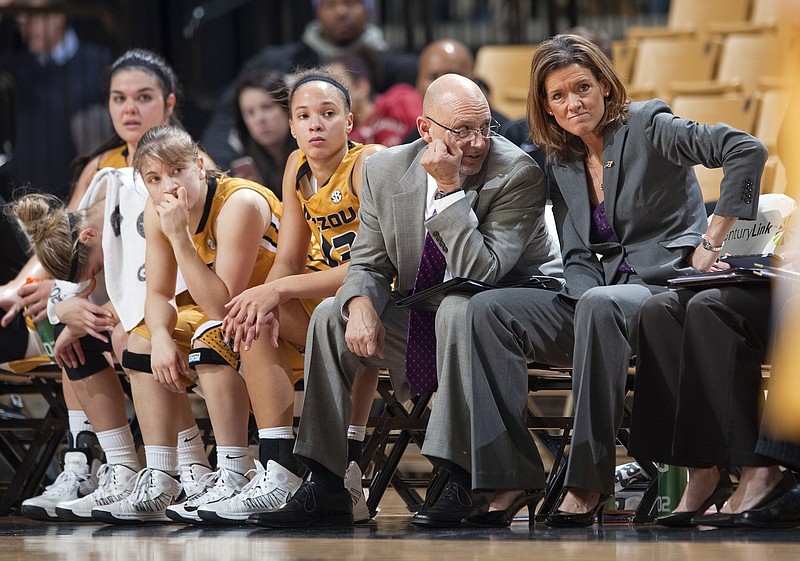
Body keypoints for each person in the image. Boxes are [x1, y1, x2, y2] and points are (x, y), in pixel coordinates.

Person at [460, 33, 766, 528]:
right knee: (487, 309)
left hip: (658, 295)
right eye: (558, 96)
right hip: (589, 300)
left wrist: (711, 240)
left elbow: (745, 149)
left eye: (581, 87)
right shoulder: (559, 156)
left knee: (600, 304)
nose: (573, 103)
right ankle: (510, 475)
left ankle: (587, 482)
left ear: (604, 84)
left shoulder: (650, 125)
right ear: (546, 107)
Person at [237, 72, 560, 529]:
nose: (477, 142)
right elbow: (367, 263)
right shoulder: (386, 170)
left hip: (499, 317)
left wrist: (449, 191)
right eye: (461, 130)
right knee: (331, 314)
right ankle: (330, 481)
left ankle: (461, 475)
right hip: (422, 315)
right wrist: (360, 304)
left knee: (458, 307)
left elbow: (481, 272)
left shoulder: (516, 173)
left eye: (485, 128)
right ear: (425, 129)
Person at [13, 49, 215, 522]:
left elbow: (176, 269)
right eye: (118, 98)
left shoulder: (187, 164)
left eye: (142, 98)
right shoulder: (102, 170)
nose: (129, 109)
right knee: (71, 336)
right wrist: (66, 307)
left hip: (182, 299)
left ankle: (188, 470)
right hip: (122, 301)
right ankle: (109, 468)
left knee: (129, 334)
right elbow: (73, 254)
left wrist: (96, 309)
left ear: (167, 104)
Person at [216, 67, 383, 525]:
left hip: (377, 298)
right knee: (253, 316)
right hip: (323, 294)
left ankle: (349, 466)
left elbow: (372, 265)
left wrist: (278, 288)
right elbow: (288, 257)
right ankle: (278, 470)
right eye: (304, 115)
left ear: (349, 121)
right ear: (290, 125)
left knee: (340, 315)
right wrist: (266, 293)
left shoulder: (370, 163)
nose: (315, 124)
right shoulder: (295, 166)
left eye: (328, 113)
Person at [629, 281, 795, 527]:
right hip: (752, 279)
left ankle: (759, 471)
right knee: (658, 310)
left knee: (709, 306)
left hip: (788, 289)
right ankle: (701, 473)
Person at [201, 0, 417, 169]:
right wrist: (216, 168)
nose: (341, 11)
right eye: (330, 4)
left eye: (351, 2)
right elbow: (227, 117)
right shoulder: (275, 62)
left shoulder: (402, 73)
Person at [0, 0, 110, 201]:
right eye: (20, 15)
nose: (24, 21)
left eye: (33, 14)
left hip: (83, 199)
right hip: (25, 200)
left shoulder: (99, 63)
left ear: (59, 15)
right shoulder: (13, 70)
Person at [402, 39, 509, 145]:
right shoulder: (411, 143)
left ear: (474, 81)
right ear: (418, 83)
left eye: (452, 76)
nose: (442, 85)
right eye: (432, 77)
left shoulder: (505, 135)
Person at [231, 69, 297, 198]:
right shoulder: (245, 162)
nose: (259, 119)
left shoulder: (311, 151)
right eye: (250, 112)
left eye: (267, 107)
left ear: (287, 108)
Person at [332, 55, 421, 147]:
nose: (331, 96)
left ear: (361, 87)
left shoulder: (400, 100)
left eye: (338, 87)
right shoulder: (345, 135)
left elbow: (427, 132)